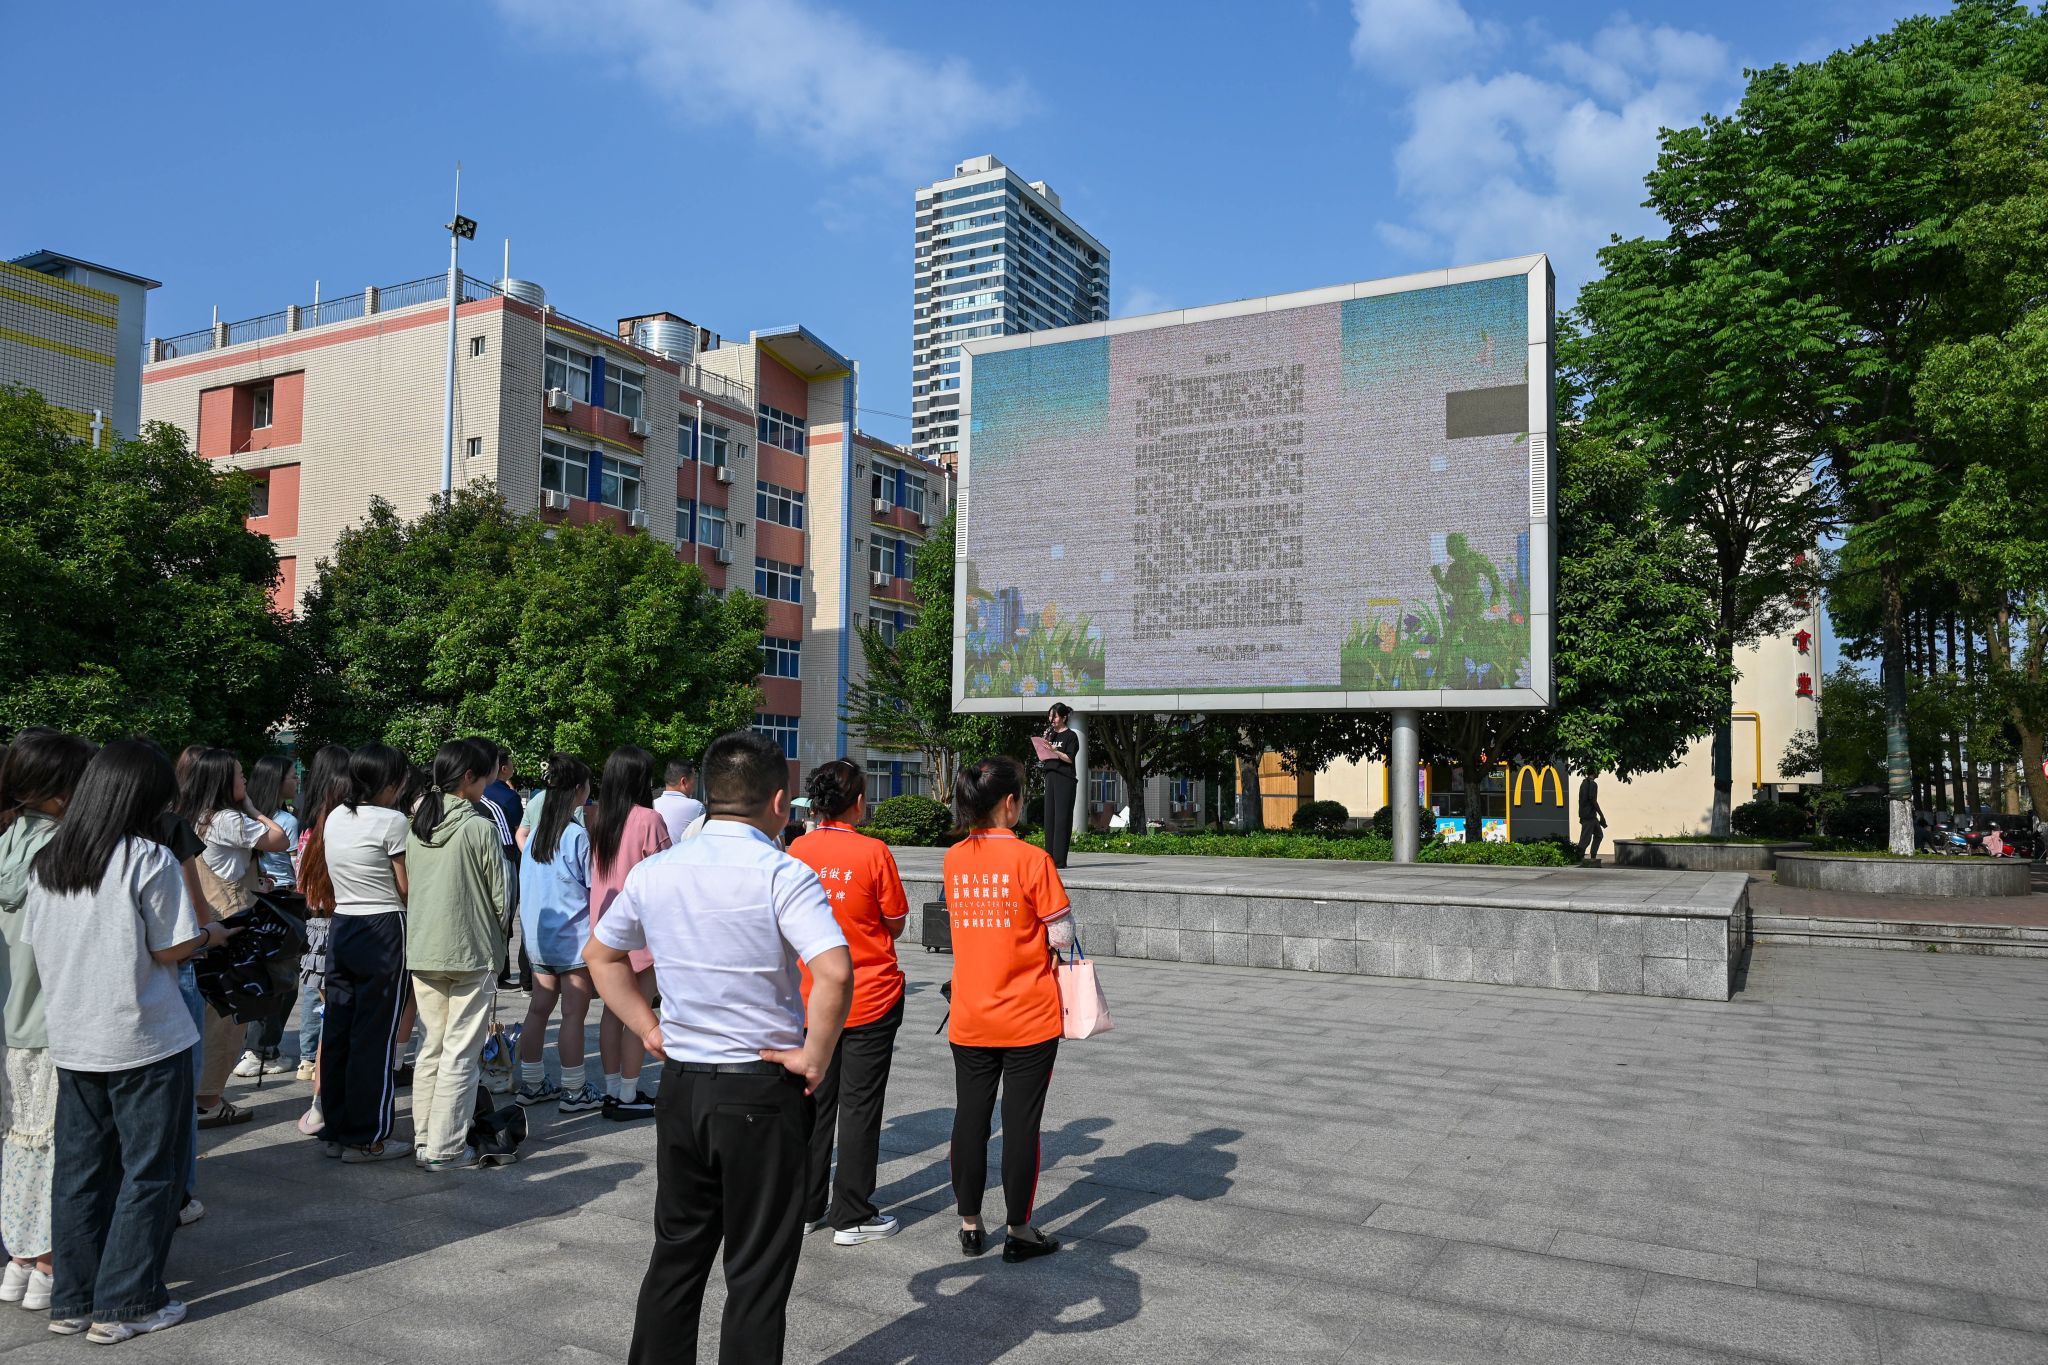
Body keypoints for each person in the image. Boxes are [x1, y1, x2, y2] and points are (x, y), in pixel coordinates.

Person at [588, 729, 851, 1365]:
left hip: (683, 1084)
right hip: (761, 1086)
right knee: (757, 1268)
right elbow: (836, 971)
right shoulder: (783, 873)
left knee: (677, 1252)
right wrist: (815, 1056)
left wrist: (648, 1028)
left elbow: (602, 955)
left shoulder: (657, 870)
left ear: (708, 793)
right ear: (779, 801)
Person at [26, 739, 237, 1342]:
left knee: (80, 1173)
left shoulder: (50, 859)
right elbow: (171, 948)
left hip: (74, 1036)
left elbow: (39, 944)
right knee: (150, 1172)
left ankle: (74, 1299)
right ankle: (127, 1304)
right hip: (145, 1038)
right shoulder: (147, 857)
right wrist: (210, 936)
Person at [945, 754, 1073, 1263]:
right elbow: (1061, 935)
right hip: (1028, 1017)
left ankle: (970, 1225)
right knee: (1021, 1125)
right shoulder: (1032, 860)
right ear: (1009, 803)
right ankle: (1019, 1230)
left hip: (970, 1012)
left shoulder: (954, 859)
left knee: (970, 1119)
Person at [787, 759, 909, 1246]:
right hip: (869, 995)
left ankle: (805, 1207)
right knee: (860, 1106)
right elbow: (895, 921)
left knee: (813, 1103)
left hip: (810, 996)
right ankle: (853, 1213)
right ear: (858, 803)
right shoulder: (873, 851)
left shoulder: (797, 849)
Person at [0, 729, 97, 1315]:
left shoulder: (8, 838)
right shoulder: (67, 849)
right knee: (59, 1147)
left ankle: (19, 1258)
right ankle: (48, 1262)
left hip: (10, 1019)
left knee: (19, 1141)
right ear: (64, 789)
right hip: (55, 1021)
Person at [404, 740, 508, 1172]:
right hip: (470, 951)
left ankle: (425, 1139)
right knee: (460, 1053)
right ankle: (445, 1148)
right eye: (484, 776)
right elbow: (502, 898)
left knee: (431, 1047)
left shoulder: (417, 826)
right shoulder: (479, 827)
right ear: (469, 778)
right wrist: (498, 941)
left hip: (424, 948)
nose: (486, 784)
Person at [175, 750, 292, 1106]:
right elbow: (280, 839)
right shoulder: (227, 818)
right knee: (226, 1020)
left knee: (207, 1013)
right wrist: (254, 809)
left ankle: (198, 1094)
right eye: (240, 775)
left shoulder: (194, 816)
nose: (245, 780)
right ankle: (208, 1100)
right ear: (223, 782)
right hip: (232, 927)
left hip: (205, 922)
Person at [317, 744, 413, 1163]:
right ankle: (368, 1137)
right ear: (389, 782)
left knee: (339, 1028)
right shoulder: (394, 821)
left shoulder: (336, 815)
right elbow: (406, 887)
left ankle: (336, 1128)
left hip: (343, 925)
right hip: (383, 927)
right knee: (376, 1034)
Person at [513, 754, 604, 1114]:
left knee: (538, 1010)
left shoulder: (536, 834)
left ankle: (532, 1083)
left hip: (539, 940)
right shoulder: (577, 836)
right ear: (579, 789)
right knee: (572, 1016)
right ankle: (574, 1088)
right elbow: (593, 887)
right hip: (573, 941)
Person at [588, 745, 672, 1121]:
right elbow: (666, 873)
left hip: (604, 931)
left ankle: (612, 1090)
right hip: (641, 932)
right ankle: (628, 1092)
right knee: (640, 1012)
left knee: (613, 1011)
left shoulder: (599, 819)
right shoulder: (649, 820)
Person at [235, 755, 301, 1077]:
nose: (297, 780)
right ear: (277, 781)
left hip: (254, 900)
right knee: (284, 981)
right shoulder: (285, 821)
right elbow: (297, 866)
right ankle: (262, 1051)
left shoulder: (244, 818)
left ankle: (254, 1047)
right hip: (283, 900)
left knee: (262, 976)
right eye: (292, 776)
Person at [292, 744, 353, 1088]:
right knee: (332, 998)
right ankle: (321, 1062)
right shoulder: (337, 829)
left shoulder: (307, 824)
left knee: (316, 990)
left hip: (313, 917)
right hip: (335, 917)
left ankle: (308, 1058)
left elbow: (302, 881)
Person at [473, 740, 528, 994]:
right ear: (499, 767)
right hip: (501, 865)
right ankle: (500, 972)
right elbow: (511, 841)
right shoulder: (505, 799)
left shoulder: (437, 804)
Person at [1038, 704, 1080, 869]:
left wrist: (1054, 750)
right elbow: (1044, 757)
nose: (1051, 719)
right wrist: (1043, 744)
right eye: (1050, 716)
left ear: (1063, 717)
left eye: (1054, 716)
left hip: (1065, 779)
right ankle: (1049, 858)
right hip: (1050, 776)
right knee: (1050, 818)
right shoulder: (1051, 734)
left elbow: (1069, 758)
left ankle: (1059, 861)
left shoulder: (1071, 736)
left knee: (1062, 819)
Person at [653, 758, 704, 847]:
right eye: (694, 778)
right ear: (683, 781)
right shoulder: (696, 807)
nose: (695, 782)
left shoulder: (653, 805)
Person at [1575, 775, 1607, 863]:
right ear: (1594, 772)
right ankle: (1578, 859)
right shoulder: (1592, 784)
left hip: (1590, 815)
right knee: (1585, 839)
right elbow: (1593, 800)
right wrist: (1602, 815)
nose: (1599, 773)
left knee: (1599, 835)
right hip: (1589, 815)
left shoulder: (1584, 783)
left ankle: (1593, 857)